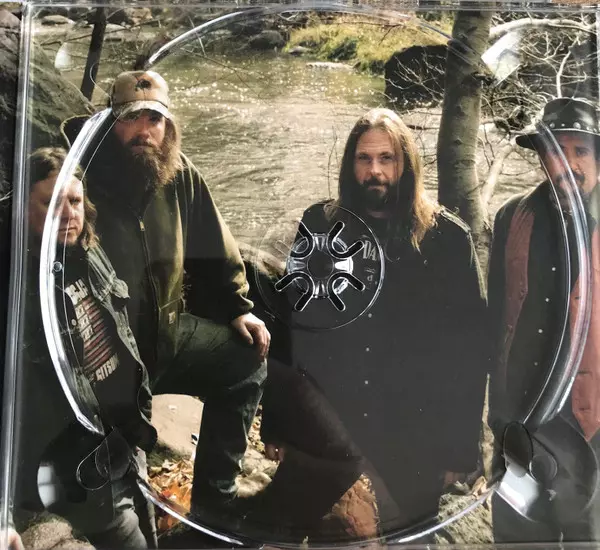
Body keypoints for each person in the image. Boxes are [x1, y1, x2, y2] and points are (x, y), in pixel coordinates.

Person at [259, 108, 488, 536]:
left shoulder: (448, 240)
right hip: (328, 425)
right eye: (364, 159)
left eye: (387, 159)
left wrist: (460, 449)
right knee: (312, 533)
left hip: (412, 430)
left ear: (407, 164)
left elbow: (470, 355)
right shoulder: (319, 225)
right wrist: (277, 422)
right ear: (350, 165)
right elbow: (289, 328)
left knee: (408, 538)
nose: (375, 171)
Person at [60, 71, 270, 520]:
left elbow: (216, 246)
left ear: (168, 125)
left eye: (154, 119)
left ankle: (214, 505)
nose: (144, 131)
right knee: (118, 491)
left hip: (168, 340)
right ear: (110, 123)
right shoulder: (78, 180)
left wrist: (238, 307)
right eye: (130, 118)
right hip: (107, 360)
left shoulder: (180, 174)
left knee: (246, 362)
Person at [15, 147, 157, 548]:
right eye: (50, 203)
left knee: (148, 521)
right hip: (79, 458)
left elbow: (123, 337)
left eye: (75, 201)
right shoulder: (17, 285)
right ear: (22, 208)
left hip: (124, 430)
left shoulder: (89, 250)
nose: (68, 214)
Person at [488, 97, 600, 541]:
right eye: (556, 151)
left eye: (581, 151)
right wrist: (496, 418)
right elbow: (494, 321)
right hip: (521, 420)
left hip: (591, 427)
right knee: (519, 538)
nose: (568, 164)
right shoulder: (511, 216)